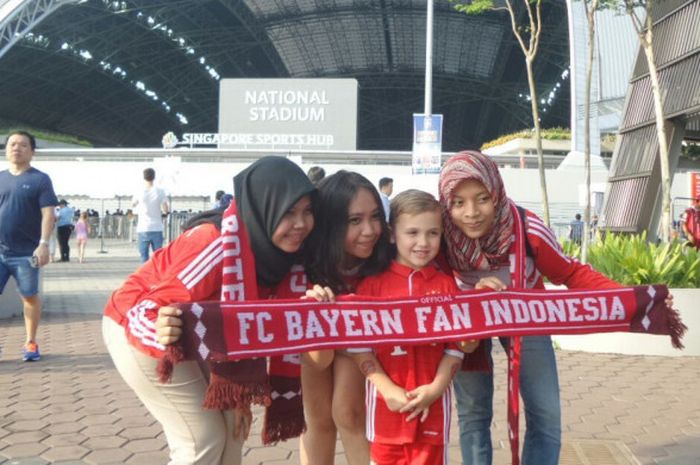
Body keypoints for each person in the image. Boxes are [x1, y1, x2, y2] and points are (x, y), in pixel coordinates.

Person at [102, 156, 316, 465]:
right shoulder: (215, 244)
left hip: (196, 335)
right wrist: (161, 333)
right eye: (289, 212)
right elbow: (146, 310)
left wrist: (238, 391)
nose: (300, 224)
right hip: (138, 327)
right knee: (201, 439)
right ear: (262, 209)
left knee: (232, 430)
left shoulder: (288, 258)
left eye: (307, 211)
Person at [438, 151, 621, 465]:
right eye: (458, 203)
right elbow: (427, 283)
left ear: (497, 193)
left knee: (544, 413)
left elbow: (571, 272)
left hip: (526, 320)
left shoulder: (528, 230)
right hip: (468, 326)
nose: (471, 213)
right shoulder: (440, 236)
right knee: (473, 414)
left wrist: (630, 298)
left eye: (482, 198)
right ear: (446, 203)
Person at [350, 189, 477, 465]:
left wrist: (435, 389)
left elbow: (456, 349)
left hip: (433, 414)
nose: (423, 242)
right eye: (412, 233)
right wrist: (386, 389)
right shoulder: (370, 287)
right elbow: (359, 349)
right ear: (392, 234)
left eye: (433, 233)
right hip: (385, 414)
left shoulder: (446, 285)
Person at [300, 170, 392, 465]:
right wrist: (317, 312)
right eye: (354, 220)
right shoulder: (303, 265)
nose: (370, 230)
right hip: (318, 350)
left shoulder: (387, 260)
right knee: (318, 420)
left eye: (375, 216)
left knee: (348, 413)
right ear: (329, 224)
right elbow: (317, 360)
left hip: (362, 349)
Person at [0, 130, 58, 361]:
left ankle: (31, 342)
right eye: (12, 144)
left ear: (32, 152)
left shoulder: (40, 179)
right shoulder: (0, 178)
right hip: (0, 249)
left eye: (23, 145)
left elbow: (48, 214)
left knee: (29, 297)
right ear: (6, 150)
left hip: (26, 253)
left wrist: (43, 244)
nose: (17, 148)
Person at [132, 168, 169, 262]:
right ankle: (157, 276)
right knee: (158, 257)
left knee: (144, 257)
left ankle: (145, 276)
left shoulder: (138, 191)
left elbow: (133, 204)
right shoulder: (160, 191)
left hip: (143, 228)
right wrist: (165, 213)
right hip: (157, 227)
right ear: (154, 177)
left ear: (143, 177)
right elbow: (165, 208)